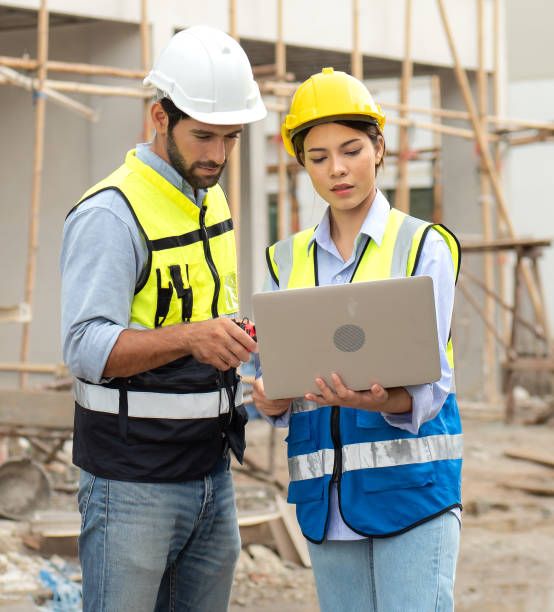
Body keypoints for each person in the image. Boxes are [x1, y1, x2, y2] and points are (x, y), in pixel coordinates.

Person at [60, 25, 266, 612]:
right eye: (203, 136)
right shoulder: (111, 214)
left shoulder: (212, 197)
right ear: (159, 116)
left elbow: (205, 315)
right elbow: (84, 347)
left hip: (210, 473)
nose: (218, 155)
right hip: (131, 486)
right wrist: (191, 339)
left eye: (231, 137)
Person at [253, 67, 462, 612]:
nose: (337, 169)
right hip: (326, 504)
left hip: (413, 497)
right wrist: (269, 398)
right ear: (302, 165)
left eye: (350, 150)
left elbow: (432, 380)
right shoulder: (284, 260)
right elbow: (280, 377)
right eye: (318, 158)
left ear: (379, 149)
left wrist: (380, 400)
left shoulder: (423, 246)